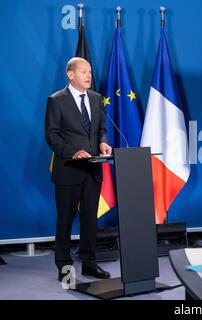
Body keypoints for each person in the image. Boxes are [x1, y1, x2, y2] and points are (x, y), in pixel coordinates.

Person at [45, 57, 112, 282]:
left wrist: (103, 142)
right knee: (65, 220)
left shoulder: (96, 98)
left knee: (90, 220)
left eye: (90, 71)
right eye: (83, 72)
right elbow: (52, 135)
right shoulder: (56, 100)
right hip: (69, 170)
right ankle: (64, 266)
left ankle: (89, 263)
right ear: (70, 75)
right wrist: (72, 152)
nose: (88, 75)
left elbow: (101, 128)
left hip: (93, 170)